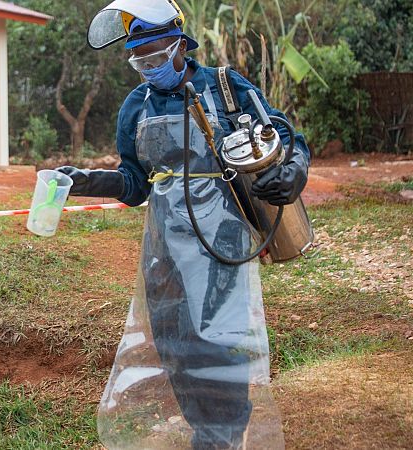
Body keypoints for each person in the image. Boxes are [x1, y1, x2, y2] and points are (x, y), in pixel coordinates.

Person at [57, 1, 310, 449]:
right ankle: (206, 431)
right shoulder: (137, 106)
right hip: (164, 253)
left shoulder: (225, 88)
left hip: (222, 246)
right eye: (141, 61)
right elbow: (136, 183)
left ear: (181, 45)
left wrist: (294, 171)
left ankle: (222, 436)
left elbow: (284, 134)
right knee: (176, 348)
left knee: (218, 347)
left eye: (157, 57)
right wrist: (87, 180)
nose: (150, 69)